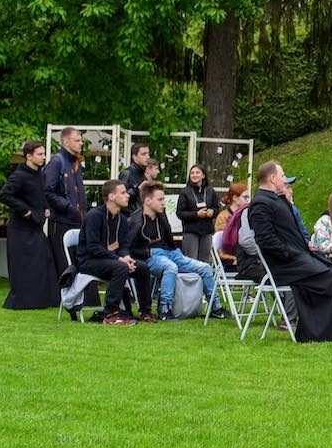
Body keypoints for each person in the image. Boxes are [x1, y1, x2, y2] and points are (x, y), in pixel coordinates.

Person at [246, 160, 332, 342]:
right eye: (282, 175)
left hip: (297, 258)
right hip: (285, 264)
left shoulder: (276, 200)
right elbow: (266, 240)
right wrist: (292, 254)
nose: (285, 179)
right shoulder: (260, 203)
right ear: (272, 178)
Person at [137, 181, 218, 320]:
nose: (164, 203)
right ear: (148, 201)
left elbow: (169, 241)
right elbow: (130, 247)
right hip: (151, 256)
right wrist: (147, 253)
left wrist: (174, 251)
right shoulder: (136, 220)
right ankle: (165, 309)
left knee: (205, 267)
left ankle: (215, 307)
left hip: (172, 253)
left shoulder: (162, 217)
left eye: (164, 199)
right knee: (171, 267)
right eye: (160, 199)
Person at [76, 179, 153, 325]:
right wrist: (119, 260)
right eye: (123, 193)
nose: (128, 196)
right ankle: (110, 313)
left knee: (141, 267)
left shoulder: (122, 219)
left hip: (111, 260)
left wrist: (127, 257)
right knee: (121, 267)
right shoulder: (94, 216)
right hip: (89, 261)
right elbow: (93, 247)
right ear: (111, 196)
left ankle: (145, 311)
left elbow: (123, 245)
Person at [0, 140, 60, 310]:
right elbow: (4, 195)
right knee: (24, 266)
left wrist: (46, 208)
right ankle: (23, 301)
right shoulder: (19, 176)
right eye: (40, 154)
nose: (44, 157)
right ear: (29, 156)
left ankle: (43, 300)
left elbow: (40, 194)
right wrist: (24, 210)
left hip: (36, 227)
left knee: (44, 262)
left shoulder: (40, 174)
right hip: (20, 229)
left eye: (44, 153)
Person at [43, 126, 98, 307]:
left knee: (81, 260)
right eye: (77, 140)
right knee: (65, 263)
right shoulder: (57, 162)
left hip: (77, 220)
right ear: (66, 142)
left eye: (80, 140)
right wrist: (69, 208)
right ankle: (68, 301)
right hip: (62, 221)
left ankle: (84, 300)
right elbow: (48, 191)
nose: (81, 142)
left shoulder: (75, 162)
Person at [177, 165, 222, 263]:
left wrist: (212, 212)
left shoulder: (210, 191)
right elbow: (180, 213)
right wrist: (196, 214)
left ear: (203, 175)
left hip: (207, 231)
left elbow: (217, 208)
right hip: (191, 231)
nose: (194, 175)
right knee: (191, 261)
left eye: (197, 173)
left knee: (205, 261)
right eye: (192, 173)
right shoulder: (185, 192)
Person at [119, 142, 151, 219]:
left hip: (142, 216)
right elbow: (120, 197)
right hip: (130, 217)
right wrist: (137, 189)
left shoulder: (144, 173)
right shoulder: (127, 173)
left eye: (148, 154)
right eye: (143, 154)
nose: (147, 157)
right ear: (135, 157)